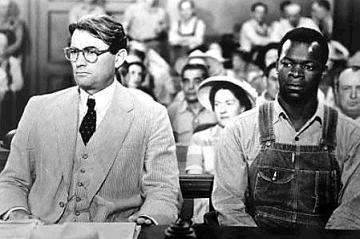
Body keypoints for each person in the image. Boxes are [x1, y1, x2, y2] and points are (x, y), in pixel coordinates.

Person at [0, 15, 181, 225]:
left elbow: (163, 189)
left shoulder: (151, 114)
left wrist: (145, 221)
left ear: (119, 57)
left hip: (115, 234)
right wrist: (18, 214)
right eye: (74, 52)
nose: (79, 61)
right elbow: (13, 180)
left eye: (91, 52)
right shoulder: (38, 108)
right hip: (42, 231)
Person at [212, 27, 360, 229]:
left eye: (308, 66)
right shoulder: (239, 130)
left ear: (323, 72)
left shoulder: (350, 136)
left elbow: (351, 213)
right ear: (276, 67)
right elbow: (230, 207)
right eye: (287, 64)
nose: (296, 73)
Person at [185, 76, 256, 224]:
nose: (222, 110)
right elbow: (194, 179)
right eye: (217, 104)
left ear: (243, 107)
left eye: (229, 103)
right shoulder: (199, 138)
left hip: (247, 211)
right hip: (206, 211)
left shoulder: (253, 138)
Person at [167, 63, 216, 146]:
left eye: (197, 81)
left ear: (206, 83)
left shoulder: (216, 109)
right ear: (181, 84)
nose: (190, 86)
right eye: (186, 81)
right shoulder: (172, 111)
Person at [168, 0, 206, 66]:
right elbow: (172, 40)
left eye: (188, 9)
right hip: (179, 55)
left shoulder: (199, 23)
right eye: (183, 10)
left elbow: (199, 41)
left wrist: (180, 40)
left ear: (192, 10)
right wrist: (190, 39)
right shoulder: (176, 24)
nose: (185, 12)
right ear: (180, 11)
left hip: (195, 54)